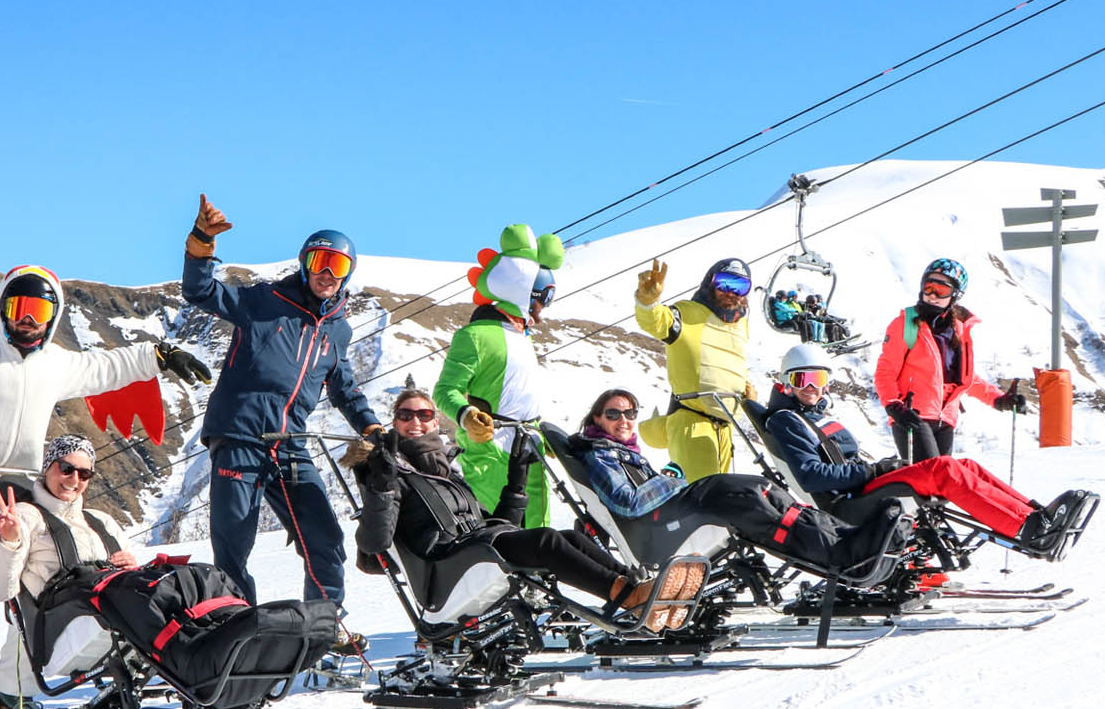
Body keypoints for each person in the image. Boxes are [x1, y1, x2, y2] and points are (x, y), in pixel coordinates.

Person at [0, 263, 210, 709]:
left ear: (52, 316)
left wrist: (158, 357)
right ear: (2, 308)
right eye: (18, 306)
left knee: (32, 596)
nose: (27, 319)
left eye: (38, 310)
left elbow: (104, 367)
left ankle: (12, 695)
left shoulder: (55, 364)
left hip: (28, 495)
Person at [184, 195, 382, 653]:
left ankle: (324, 627)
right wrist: (201, 244)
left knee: (325, 538)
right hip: (239, 437)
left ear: (348, 273)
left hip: (289, 445)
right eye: (319, 261)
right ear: (304, 262)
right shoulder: (262, 301)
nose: (326, 273)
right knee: (233, 542)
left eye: (337, 265)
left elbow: (345, 388)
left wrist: (371, 427)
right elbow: (200, 291)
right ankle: (237, 637)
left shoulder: (338, 330)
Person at [349, 388, 700, 632]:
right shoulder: (388, 471)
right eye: (405, 415)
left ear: (435, 423)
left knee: (563, 537)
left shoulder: (446, 470)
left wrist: (518, 478)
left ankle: (639, 587)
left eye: (424, 414)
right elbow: (375, 545)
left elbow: (496, 525)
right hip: (444, 567)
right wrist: (381, 485)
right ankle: (630, 596)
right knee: (546, 541)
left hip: (475, 548)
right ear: (394, 422)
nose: (416, 422)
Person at [762, 344, 1095, 558]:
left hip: (860, 486)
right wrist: (872, 471)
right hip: (847, 502)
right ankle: (1028, 531)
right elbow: (810, 475)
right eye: (801, 379)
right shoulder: (786, 421)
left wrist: (876, 469)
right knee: (943, 471)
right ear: (785, 383)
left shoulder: (813, 416)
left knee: (960, 464)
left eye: (818, 379)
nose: (811, 388)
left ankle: (1037, 516)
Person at [574, 388, 905, 575]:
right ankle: (841, 555)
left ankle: (848, 539)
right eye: (614, 414)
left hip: (673, 514)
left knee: (765, 493)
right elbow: (628, 503)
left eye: (631, 413)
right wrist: (669, 479)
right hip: (658, 533)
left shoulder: (621, 452)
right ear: (596, 419)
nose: (625, 420)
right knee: (749, 498)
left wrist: (669, 481)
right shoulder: (598, 455)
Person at [0, 435, 141, 707]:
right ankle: (10, 695)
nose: (74, 480)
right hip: (58, 629)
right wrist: (9, 541)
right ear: (48, 466)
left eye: (84, 473)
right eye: (66, 469)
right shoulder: (24, 516)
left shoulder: (103, 522)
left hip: (106, 622)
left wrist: (130, 569)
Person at [435, 224, 564, 528]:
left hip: (528, 448)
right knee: (501, 535)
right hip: (491, 452)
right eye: (543, 298)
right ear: (524, 294)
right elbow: (445, 390)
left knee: (539, 533)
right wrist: (466, 415)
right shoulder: (475, 335)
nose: (544, 309)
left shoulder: (523, 336)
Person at [874, 257, 1035, 462]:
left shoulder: (959, 330)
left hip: (946, 419)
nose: (932, 295)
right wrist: (894, 406)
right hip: (912, 417)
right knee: (931, 479)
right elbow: (885, 372)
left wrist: (999, 399)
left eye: (941, 290)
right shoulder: (905, 325)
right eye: (928, 287)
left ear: (955, 295)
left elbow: (965, 378)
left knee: (942, 486)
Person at [632, 256, 755, 481]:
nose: (731, 292)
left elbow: (731, 361)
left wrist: (744, 390)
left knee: (721, 494)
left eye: (740, 286)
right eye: (724, 283)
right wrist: (647, 301)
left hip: (724, 426)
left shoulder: (740, 325)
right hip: (692, 419)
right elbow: (657, 321)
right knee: (703, 494)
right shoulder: (688, 312)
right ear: (710, 283)